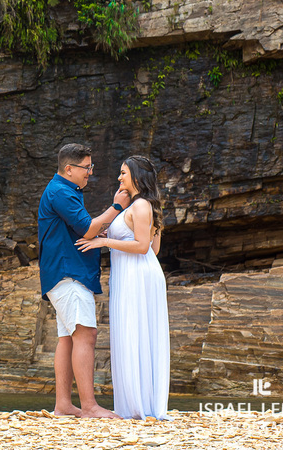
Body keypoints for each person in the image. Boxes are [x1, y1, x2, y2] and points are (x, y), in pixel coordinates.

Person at [37, 143, 130, 418]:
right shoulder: (61, 192)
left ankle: (64, 405)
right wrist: (117, 206)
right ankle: (89, 406)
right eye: (87, 167)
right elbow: (88, 228)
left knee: (68, 338)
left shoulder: (65, 191)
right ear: (69, 169)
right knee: (85, 334)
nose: (90, 172)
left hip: (63, 273)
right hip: (68, 273)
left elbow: (83, 231)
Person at [76, 155, 170, 420]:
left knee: (135, 331)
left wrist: (104, 243)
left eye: (123, 173)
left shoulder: (141, 206)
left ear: (137, 176)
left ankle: (141, 406)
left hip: (138, 276)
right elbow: (153, 248)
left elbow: (144, 248)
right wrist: (111, 236)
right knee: (133, 333)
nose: (119, 178)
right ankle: (137, 404)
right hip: (132, 274)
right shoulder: (142, 205)